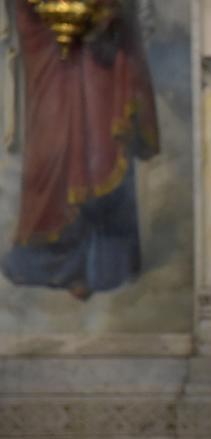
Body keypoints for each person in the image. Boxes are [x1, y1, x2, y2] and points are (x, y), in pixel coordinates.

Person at [2, 0, 159, 299]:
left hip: (103, 45)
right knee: (53, 142)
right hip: (46, 35)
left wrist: (107, 13)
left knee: (103, 138)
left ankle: (104, 264)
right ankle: (51, 260)